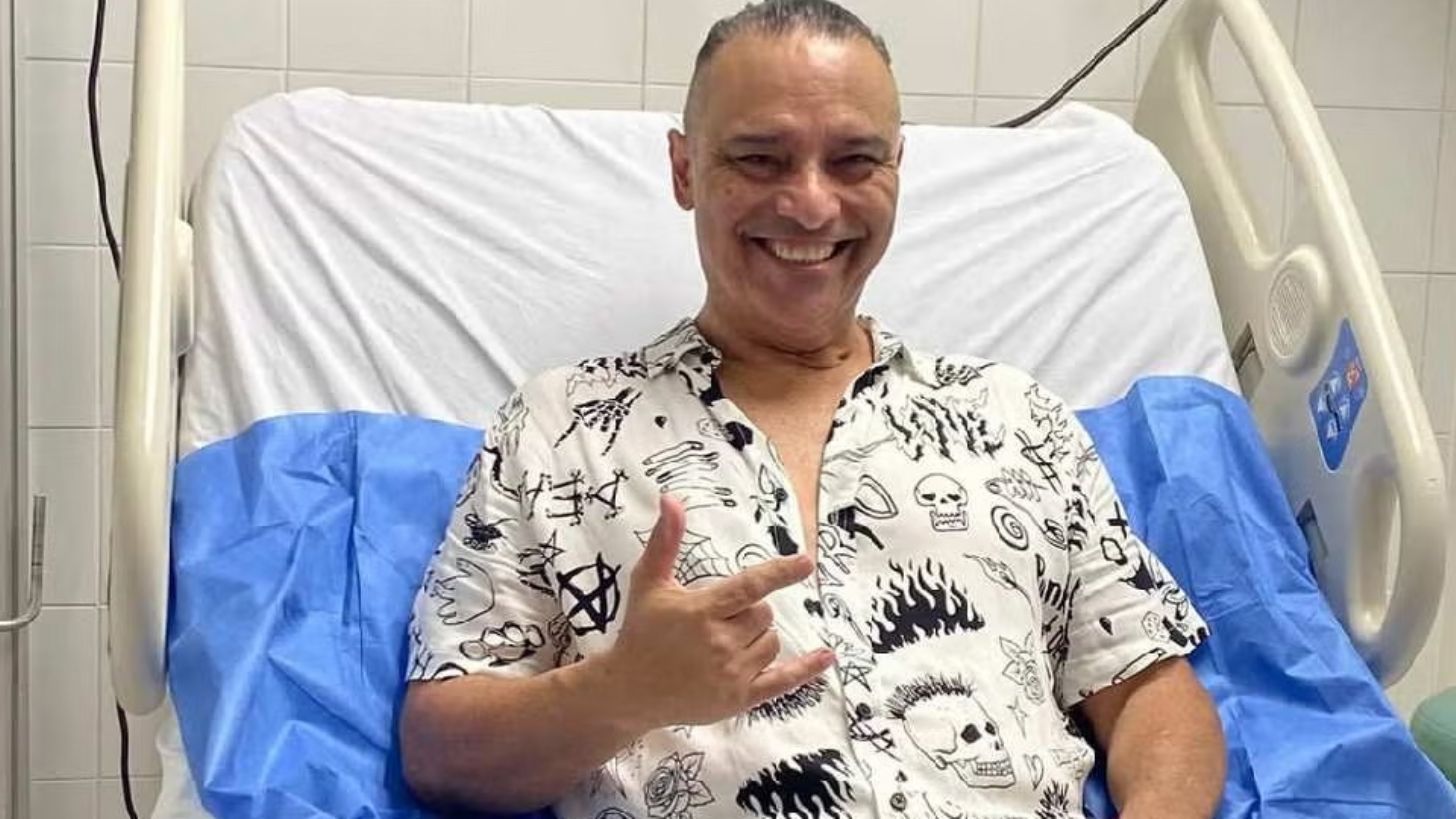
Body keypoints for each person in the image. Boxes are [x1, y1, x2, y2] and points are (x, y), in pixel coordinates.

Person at [399, 2, 1226, 817]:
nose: (811, 204)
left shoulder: (1016, 417)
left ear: (897, 168)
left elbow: (1149, 692)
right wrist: (618, 691)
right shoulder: (560, 428)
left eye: (854, 161)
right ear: (685, 170)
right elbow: (440, 753)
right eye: (760, 159)